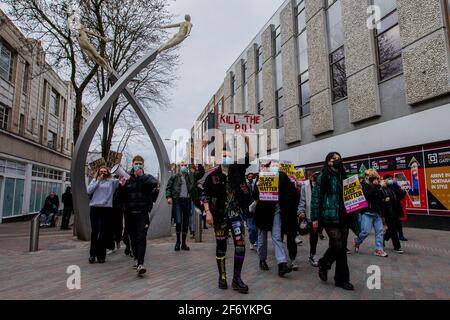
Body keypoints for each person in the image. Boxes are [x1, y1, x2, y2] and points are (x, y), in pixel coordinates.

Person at [203, 148, 253, 294]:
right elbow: (204, 195)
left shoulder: (237, 171)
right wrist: (208, 213)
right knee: (221, 246)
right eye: (224, 155)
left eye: (229, 156)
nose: (227, 158)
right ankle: (222, 276)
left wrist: (247, 140)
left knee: (240, 244)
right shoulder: (211, 176)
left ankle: (237, 279)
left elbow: (249, 156)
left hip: (236, 215)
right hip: (219, 217)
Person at [311, 152, 354, 291]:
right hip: (328, 217)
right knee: (337, 244)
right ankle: (324, 264)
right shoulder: (323, 176)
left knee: (342, 249)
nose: (337, 161)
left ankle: (342, 280)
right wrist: (315, 218)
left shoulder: (344, 176)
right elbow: (316, 198)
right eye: (334, 159)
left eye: (339, 158)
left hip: (344, 216)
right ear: (328, 162)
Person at [253, 161, 293, 276]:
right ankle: (262, 259)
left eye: (277, 165)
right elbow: (255, 196)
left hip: (276, 210)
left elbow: (290, 192)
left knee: (276, 236)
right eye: (272, 165)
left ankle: (282, 264)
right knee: (262, 238)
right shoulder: (261, 176)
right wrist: (258, 186)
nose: (275, 167)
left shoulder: (282, 176)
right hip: (262, 212)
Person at [121, 156, 158, 276]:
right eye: (136, 163)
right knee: (133, 238)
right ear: (132, 164)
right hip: (129, 214)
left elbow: (153, 183)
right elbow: (119, 198)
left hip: (142, 214)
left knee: (141, 237)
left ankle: (141, 263)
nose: (138, 165)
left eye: (140, 164)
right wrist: (121, 187)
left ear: (143, 165)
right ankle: (136, 258)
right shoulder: (127, 179)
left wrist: (141, 176)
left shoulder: (147, 178)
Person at [166, 161, 202, 251]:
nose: (184, 167)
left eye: (185, 165)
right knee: (178, 221)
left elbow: (201, 173)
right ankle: (178, 242)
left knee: (186, 222)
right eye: (182, 165)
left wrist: (199, 162)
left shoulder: (191, 176)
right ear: (179, 166)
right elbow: (168, 187)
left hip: (187, 201)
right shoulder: (175, 177)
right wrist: (169, 197)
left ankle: (184, 243)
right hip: (178, 201)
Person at [87, 166, 120, 264]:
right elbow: (89, 191)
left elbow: (120, 181)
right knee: (94, 232)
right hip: (95, 208)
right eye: (101, 171)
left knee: (103, 232)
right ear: (98, 172)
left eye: (105, 171)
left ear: (108, 173)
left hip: (106, 208)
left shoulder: (111, 182)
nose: (103, 173)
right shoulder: (94, 180)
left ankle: (101, 255)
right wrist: (98, 181)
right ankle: (92, 255)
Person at [354, 169, 388, 257]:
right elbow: (368, 195)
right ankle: (357, 241)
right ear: (367, 176)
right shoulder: (363, 185)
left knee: (380, 231)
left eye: (376, 177)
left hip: (377, 213)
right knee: (365, 231)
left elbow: (381, 197)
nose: (375, 179)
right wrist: (376, 186)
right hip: (367, 212)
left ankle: (378, 249)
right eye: (373, 177)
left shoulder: (377, 186)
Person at [298, 171, 321, 267]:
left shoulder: (322, 184)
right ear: (310, 176)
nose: (316, 176)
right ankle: (312, 255)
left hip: (321, 215)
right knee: (314, 236)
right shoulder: (305, 185)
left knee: (316, 235)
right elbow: (302, 200)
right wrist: (301, 211)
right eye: (314, 174)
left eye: (318, 174)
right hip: (310, 215)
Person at [381, 174, 406, 253]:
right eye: (389, 179)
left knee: (393, 229)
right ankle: (397, 247)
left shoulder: (394, 187)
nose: (391, 180)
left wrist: (403, 190)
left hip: (396, 211)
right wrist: (384, 200)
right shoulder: (382, 188)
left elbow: (400, 196)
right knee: (393, 229)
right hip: (388, 212)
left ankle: (383, 238)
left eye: (391, 178)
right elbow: (379, 199)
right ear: (385, 180)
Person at [245, 173, 258, 250]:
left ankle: (256, 240)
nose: (250, 178)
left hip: (257, 209)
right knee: (251, 228)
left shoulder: (256, 184)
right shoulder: (245, 185)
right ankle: (252, 241)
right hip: (249, 210)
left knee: (257, 228)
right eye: (248, 177)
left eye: (251, 176)